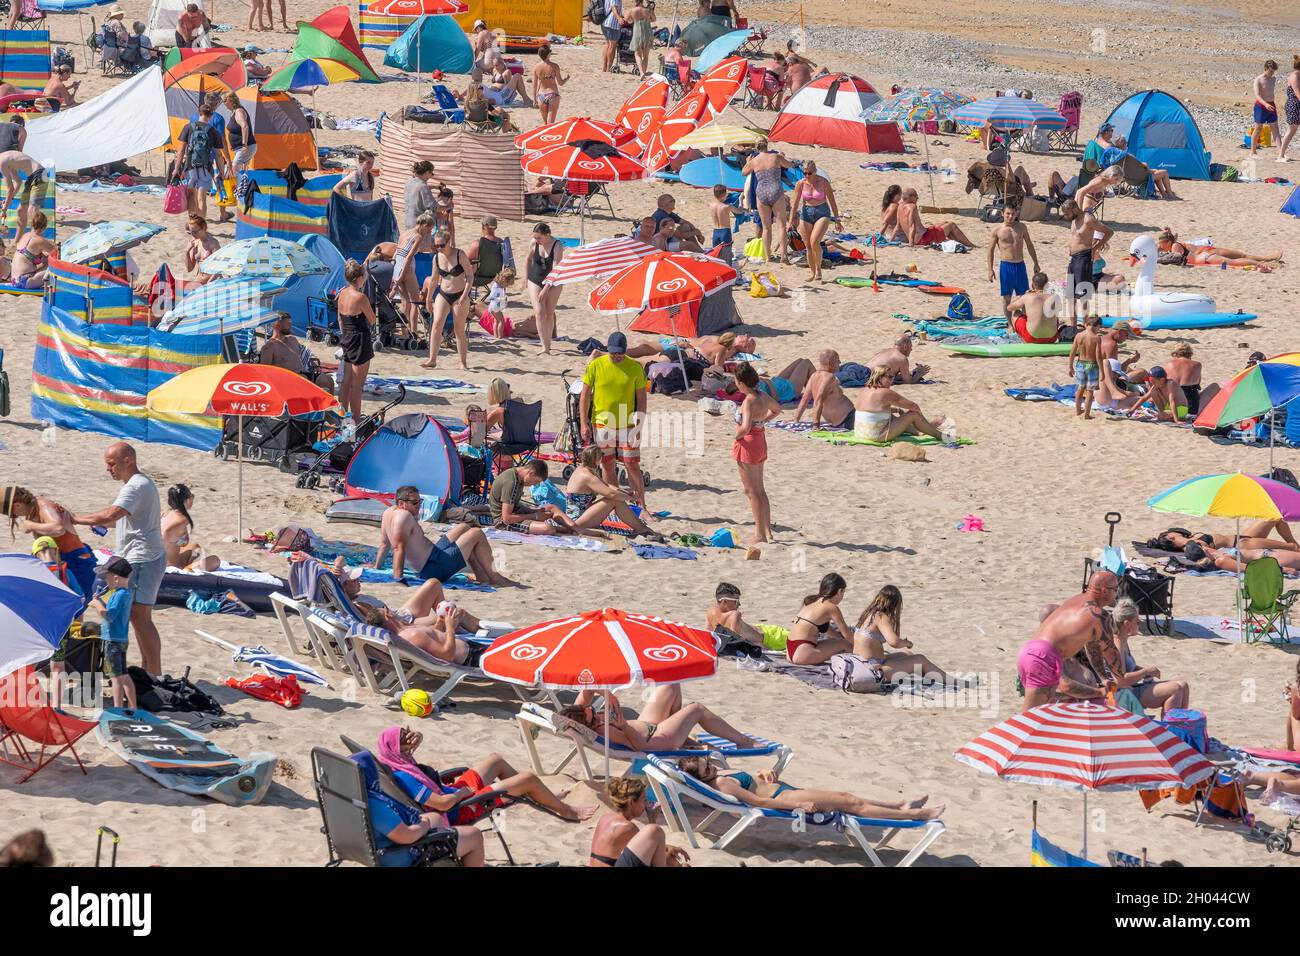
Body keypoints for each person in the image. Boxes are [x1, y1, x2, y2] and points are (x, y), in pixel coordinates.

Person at [379, 726, 594, 829]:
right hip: (460, 808)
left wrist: (417, 739)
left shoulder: (397, 761)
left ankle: (541, 795)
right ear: (397, 749)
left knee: (495, 760)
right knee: (527, 778)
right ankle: (565, 809)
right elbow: (442, 805)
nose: (409, 745)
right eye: (404, 743)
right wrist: (463, 792)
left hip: (453, 793)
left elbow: (409, 753)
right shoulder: (404, 776)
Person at [73, 444, 165, 676]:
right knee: (138, 616)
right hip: (139, 555)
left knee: (140, 616)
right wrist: (101, 523)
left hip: (144, 557)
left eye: (111, 463)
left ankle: (153, 673)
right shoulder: (137, 485)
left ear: (128, 460)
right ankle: (149, 671)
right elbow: (121, 519)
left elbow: (112, 513)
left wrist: (75, 519)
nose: (108, 469)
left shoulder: (136, 485)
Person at [680, 753, 944, 821]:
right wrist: (798, 805)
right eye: (707, 770)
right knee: (850, 803)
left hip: (781, 788)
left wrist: (761, 772)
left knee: (847, 797)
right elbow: (759, 802)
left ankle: (898, 804)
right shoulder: (723, 783)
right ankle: (916, 814)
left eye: (708, 763)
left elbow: (751, 780)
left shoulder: (719, 772)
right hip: (786, 797)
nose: (712, 767)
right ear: (703, 779)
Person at [1018, 571, 1118, 710]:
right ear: (1104, 591)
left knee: (1044, 717)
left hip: (1030, 652)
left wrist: (1103, 677)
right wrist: (1111, 685)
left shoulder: (1078, 600)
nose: (1117, 594)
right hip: (1043, 657)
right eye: (1116, 589)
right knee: (1030, 719)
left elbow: (1092, 645)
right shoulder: (1098, 615)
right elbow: (1118, 668)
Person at [376, 485, 510, 586]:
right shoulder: (403, 516)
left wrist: (377, 567)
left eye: (420, 501)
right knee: (476, 533)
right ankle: (495, 577)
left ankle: (482, 575)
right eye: (414, 503)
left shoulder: (388, 513)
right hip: (433, 567)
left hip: (434, 554)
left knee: (464, 527)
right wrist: (398, 578)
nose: (419, 506)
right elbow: (398, 548)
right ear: (401, 503)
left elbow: (384, 544)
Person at [581, 331, 648, 507]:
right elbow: (585, 396)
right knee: (608, 465)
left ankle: (641, 507)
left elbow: (641, 400)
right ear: (608, 350)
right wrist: (583, 423)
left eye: (619, 353)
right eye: (613, 353)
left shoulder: (635, 367)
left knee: (632, 465)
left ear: (625, 351)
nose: (616, 356)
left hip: (628, 425)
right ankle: (615, 504)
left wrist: (639, 428)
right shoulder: (596, 365)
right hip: (602, 423)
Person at [1, 485, 97, 606]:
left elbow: (58, 528)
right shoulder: (35, 508)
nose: (15, 517)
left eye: (13, 514)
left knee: (75, 606)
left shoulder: (43, 506)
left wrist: (31, 525)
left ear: (17, 505)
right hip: (62, 561)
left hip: (76, 561)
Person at [558, 693, 755, 751]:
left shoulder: (579, 717)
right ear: (588, 725)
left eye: (591, 708)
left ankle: (684, 737)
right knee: (697, 708)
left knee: (670, 682)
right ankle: (743, 741)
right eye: (593, 714)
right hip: (657, 739)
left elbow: (587, 689)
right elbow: (640, 746)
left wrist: (608, 695)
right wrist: (623, 726)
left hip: (647, 724)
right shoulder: (606, 731)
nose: (595, 710)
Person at [1097, 599, 1190, 715]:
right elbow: (1120, 680)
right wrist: (1145, 672)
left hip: (1131, 687)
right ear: (1127, 624)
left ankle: (1182, 724)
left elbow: (1126, 667)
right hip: (1120, 693)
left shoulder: (1123, 640)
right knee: (1174, 689)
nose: (1139, 623)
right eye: (1137, 621)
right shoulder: (1117, 643)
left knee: (1183, 685)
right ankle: (1169, 729)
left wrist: (1144, 671)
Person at [853, 585, 954, 686]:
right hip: (871, 670)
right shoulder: (881, 617)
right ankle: (951, 681)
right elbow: (894, 642)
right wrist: (907, 643)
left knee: (907, 654)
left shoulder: (869, 614)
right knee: (920, 659)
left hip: (858, 664)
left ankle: (930, 677)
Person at [564, 445, 666, 539]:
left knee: (616, 499)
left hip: (581, 515)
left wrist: (627, 494)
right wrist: (631, 498)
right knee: (615, 500)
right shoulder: (587, 476)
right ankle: (641, 528)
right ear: (597, 459)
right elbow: (611, 494)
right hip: (577, 521)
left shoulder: (584, 469)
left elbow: (607, 486)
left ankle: (641, 528)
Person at [731, 361, 780, 544]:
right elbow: (777, 409)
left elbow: (744, 427)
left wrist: (737, 436)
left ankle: (759, 534)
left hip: (749, 443)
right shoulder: (762, 395)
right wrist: (763, 422)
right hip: (760, 440)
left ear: (741, 382)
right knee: (760, 490)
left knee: (751, 492)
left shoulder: (748, 401)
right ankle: (767, 532)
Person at [590, 777, 689, 867]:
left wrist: (670, 848)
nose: (646, 804)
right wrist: (652, 817)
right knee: (657, 835)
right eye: (644, 800)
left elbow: (649, 846)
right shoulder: (628, 827)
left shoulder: (605, 817)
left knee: (669, 857)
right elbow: (653, 845)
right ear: (631, 802)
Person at [489, 460, 596, 537]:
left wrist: (534, 511)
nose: (534, 485)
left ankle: (576, 528)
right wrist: (534, 516)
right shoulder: (511, 482)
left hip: (515, 512)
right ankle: (564, 529)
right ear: (530, 473)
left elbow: (514, 505)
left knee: (551, 507)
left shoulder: (517, 475)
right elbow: (506, 518)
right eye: (535, 481)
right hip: (502, 522)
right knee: (548, 528)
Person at [854, 365, 949, 442]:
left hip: (860, 434)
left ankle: (919, 430)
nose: (892, 380)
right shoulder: (884, 392)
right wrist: (921, 420)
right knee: (913, 415)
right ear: (879, 377)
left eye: (893, 377)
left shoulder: (864, 391)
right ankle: (940, 435)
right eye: (889, 377)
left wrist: (897, 409)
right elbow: (914, 406)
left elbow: (872, 411)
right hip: (875, 436)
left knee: (892, 416)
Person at [421, 230, 473, 371]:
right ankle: (432, 359)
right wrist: (428, 298)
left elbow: (470, 276)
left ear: (449, 242)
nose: (439, 248)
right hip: (443, 294)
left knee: (459, 329)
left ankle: (462, 362)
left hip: (460, 294)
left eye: (442, 245)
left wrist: (465, 295)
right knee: (436, 324)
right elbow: (433, 280)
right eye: (436, 246)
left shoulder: (459, 254)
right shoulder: (437, 258)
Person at [92, 557, 137, 711]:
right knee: (124, 675)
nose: (105, 581)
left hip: (113, 641)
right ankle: (132, 707)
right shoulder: (126, 593)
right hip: (122, 639)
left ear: (116, 579)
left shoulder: (118, 595)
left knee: (115, 677)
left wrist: (97, 604)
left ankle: (118, 709)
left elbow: (109, 615)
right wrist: (102, 602)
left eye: (107, 578)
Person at [335, 260, 377, 421]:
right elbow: (372, 320)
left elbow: (340, 318)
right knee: (357, 386)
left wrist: (345, 335)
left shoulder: (342, 293)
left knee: (345, 382)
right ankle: (356, 421)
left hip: (346, 338)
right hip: (359, 340)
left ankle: (341, 416)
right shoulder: (360, 297)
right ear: (359, 278)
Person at [1060, 198, 1112, 326]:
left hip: (1083, 258)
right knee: (1071, 296)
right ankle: (1073, 326)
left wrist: (1094, 248)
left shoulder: (1088, 219)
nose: (1066, 217)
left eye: (1067, 214)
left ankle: (1085, 326)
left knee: (1082, 296)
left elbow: (1109, 232)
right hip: (1073, 259)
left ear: (1074, 209)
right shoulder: (1074, 219)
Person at [172, 103, 228, 220]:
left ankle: (193, 224)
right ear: (211, 115)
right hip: (206, 168)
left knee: (192, 196)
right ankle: (201, 227)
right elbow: (218, 155)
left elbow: (181, 151)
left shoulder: (188, 127)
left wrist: (176, 169)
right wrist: (221, 172)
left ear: (199, 113)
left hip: (190, 166)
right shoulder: (213, 131)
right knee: (201, 198)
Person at [787, 160, 839, 282]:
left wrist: (837, 219)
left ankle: (819, 270)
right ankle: (813, 272)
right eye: (804, 173)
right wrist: (790, 222)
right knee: (808, 246)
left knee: (815, 242)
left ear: (815, 171)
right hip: (806, 213)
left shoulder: (823, 182)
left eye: (809, 173)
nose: (807, 175)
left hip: (822, 212)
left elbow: (832, 202)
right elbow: (794, 204)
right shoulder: (800, 184)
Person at [786, 573, 853, 665]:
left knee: (839, 642)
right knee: (844, 644)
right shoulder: (831, 607)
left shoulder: (810, 600)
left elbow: (827, 629)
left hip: (790, 650)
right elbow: (848, 636)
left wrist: (838, 639)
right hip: (802, 653)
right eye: (843, 592)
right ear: (839, 591)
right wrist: (863, 648)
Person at [742, 142, 792, 263]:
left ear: (756, 147)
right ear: (767, 145)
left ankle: (768, 257)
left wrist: (748, 161)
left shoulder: (754, 161)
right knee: (781, 226)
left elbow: (743, 172)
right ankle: (783, 256)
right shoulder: (776, 157)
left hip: (761, 192)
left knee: (766, 228)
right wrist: (783, 156)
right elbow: (789, 164)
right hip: (775, 190)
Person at [987, 204, 1040, 319]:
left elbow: (1030, 245)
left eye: (1013, 214)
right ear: (1002, 214)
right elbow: (990, 250)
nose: (1010, 216)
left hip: (1020, 265)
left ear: (1016, 213)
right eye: (1008, 214)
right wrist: (990, 269)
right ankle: (1009, 324)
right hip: (1006, 266)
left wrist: (1036, 263)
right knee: (1007, 298)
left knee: (1024, 296)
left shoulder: (1021, 227)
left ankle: (1025, 321)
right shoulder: (997, 230)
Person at [391, 211, 434, 338]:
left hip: (397, 265)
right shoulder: (418, 237)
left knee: (405, 303)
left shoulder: (404, 233)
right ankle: (414, 332)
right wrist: (402, 276)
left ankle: (404, 333)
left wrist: (396, 275)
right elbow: (409, 258)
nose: (429, 232)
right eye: (429, 229)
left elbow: (396, 253)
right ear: (423, 225)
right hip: (406, 268)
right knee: (415, 302)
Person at [1154, 229, 1283, 269]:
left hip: (1208, 253)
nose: (1160, 246)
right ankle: (1269, 259)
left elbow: (1176, 258)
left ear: (1168, 242)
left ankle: (1269, 259)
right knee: (1240, 256)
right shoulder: (1174, 244)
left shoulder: (1175, 246)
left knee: (1239, 258)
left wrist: (1158, 257)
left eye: (1161, 244)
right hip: (1207, 251)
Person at [793, 349, 856, 430]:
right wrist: (816, 425)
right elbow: (819, 400)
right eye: (838, 360)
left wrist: (796, 420)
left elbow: (804, 400)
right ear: (831, 363)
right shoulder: (830, 377)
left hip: (839, 421)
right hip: (847, 419)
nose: (840, 363)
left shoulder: (814, 376)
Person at [525, 222, 564, 354]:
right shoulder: (534, 243)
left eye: (539, 238)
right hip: (535, 278)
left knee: (549, 313)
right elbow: (528, 259)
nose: (537, 240)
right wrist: (526, 278)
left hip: (554, 281)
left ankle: (548, 343)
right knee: (539, 311)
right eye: (535, 237)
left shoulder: (557, 245)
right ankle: (545, 346)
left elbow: (556, 269)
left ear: (547, 235)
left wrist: (546, 288)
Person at [898, 187, 972, 247]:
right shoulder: (912, 207)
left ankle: (961, 242)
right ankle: (970, 245)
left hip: (923, 235)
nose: (917, 198)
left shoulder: (900, 207)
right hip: (924, 239)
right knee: (951, 225)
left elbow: (898, 226)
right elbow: (911, 225)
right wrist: (911, 244)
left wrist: (891, 240)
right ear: (911, 197)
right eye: (916, 196)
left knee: (945, 222)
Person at [0, 152, 47, 244]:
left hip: (40, 174)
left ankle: (41, 243)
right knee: (21, 211)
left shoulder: (2, 162)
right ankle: (16, 244)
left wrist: (4, 209)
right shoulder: (7, 160)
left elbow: (10, 189)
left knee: (32, 211)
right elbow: (18, 182)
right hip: (31, 178)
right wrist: (9, 200)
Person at [161, 483, 210, 570]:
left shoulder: (165, 513)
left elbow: (170, 541)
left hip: (158, 561)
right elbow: (183, 542)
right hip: (171, 565)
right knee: (215, 560)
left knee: (195, 547)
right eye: (192, 496)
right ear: (187, 500)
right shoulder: (182, 520)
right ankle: (188, 569)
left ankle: (189, 565)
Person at [222, 90, 256, 214]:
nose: (224, 104)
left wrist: (244, 144)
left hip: (246, 147)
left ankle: (239, 198)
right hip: (240, 149)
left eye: (225, 101)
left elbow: (245, 126)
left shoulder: (239, 111)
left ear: (230, 100)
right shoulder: (234, 112)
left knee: (233, 171)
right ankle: (242, 199)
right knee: (241, 173)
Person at [706, 581, 766, 648]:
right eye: (736, 601)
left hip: (767, 636)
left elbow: (708, 634)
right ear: (725, 601)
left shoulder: (711, 611)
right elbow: (734, 641)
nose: (739, 604)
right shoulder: (734, 615)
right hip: (768, 636)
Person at [1007, 271, 1059, 344]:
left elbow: (1009, 308)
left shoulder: (1028, 296)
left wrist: (1024, 296)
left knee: (1016, 313)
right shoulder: (1054, 297)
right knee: (1054, 317)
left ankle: (1023, 340)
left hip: (1031, 338)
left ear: (1032, 285)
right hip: (1052, 338)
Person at [1068, 315, 1102, 418]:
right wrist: (1102, 372)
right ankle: (1086, 414)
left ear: (1086, 325)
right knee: (1090, 391)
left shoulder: (1079, 335)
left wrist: (1070, 367)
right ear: (1097, 326)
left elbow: (1072, 352)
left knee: (1080, 389)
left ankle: (1078, 411)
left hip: (1080, 364)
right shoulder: (1096, 338)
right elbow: (1098, 356)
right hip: (1092, 365)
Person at [8, 209, 51, 288]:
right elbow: (56, 253)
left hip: (14, 280)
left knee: (47, 262)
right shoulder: (39, 239)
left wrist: (44, 257)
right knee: (54, 271)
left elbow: (30, 256)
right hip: (24, 281)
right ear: (45, 226)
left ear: (32, 224)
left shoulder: (25, 236)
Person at [531, 45, 568, 124]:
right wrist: (566, 79)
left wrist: (534, 99)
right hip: (552, 95)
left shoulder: (536, 67)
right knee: (550, 124)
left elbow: (534, 85)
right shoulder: (554, 66)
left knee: (545, 124)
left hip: (541, 95)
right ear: (548, 54)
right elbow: (560, 83)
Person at [1252, 60, 1281, 157]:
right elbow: (1257, 95)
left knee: (1275, 129)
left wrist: (1269, 104)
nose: (1272, 73)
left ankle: (1280, 153)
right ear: (1265, 69)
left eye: (1273, 72)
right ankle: (1253, 151)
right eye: (1271, 71)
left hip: (1271, 104)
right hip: (1260, 106)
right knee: (1258, 128)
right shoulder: (1258, 79)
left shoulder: (1273, 79)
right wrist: (1265, 104)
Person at [183, 214, 219, 282]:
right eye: (191, 232)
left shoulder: (213, 243)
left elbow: (218, 268)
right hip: (198, 280)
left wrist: (208, 283)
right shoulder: (195, 244)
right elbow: (189, 269)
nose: (193, 234)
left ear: (203, 228)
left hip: (211, 282)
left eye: (195, 232)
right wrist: (187, 252)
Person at [403, 161, 436, 230]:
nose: (431, 176)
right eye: (431, 173)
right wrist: (448, 206)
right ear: (427, 172)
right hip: (420, 227)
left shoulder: (409, 182)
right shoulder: (423, 187)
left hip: (408, 223)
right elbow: (435, 207)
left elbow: (417, 189)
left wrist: (435, 187)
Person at [1279, 55, 1300, 162]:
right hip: (1294, 105)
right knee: (1291, 130)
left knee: (1292, 130)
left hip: (1296, 104)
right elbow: (1297, 93)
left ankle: (1281, 154)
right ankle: (1281, 155)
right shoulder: (1295, 76)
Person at [626, 0, 655, 74]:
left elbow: (627, 20)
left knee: (637, 54)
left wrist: (634, 20)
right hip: (648, 32)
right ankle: (644, 72)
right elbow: (654, 19)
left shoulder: (632, 10)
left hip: (637, 32)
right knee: (645, 56)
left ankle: (641, 72)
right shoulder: (648, 10)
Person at [600, 0, 626, 73]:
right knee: (612, 46)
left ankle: (604, 68)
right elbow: (613, 8)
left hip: (605, 22)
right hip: (612, 24)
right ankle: (608, 68)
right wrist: (619, 18)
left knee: (608, 45)